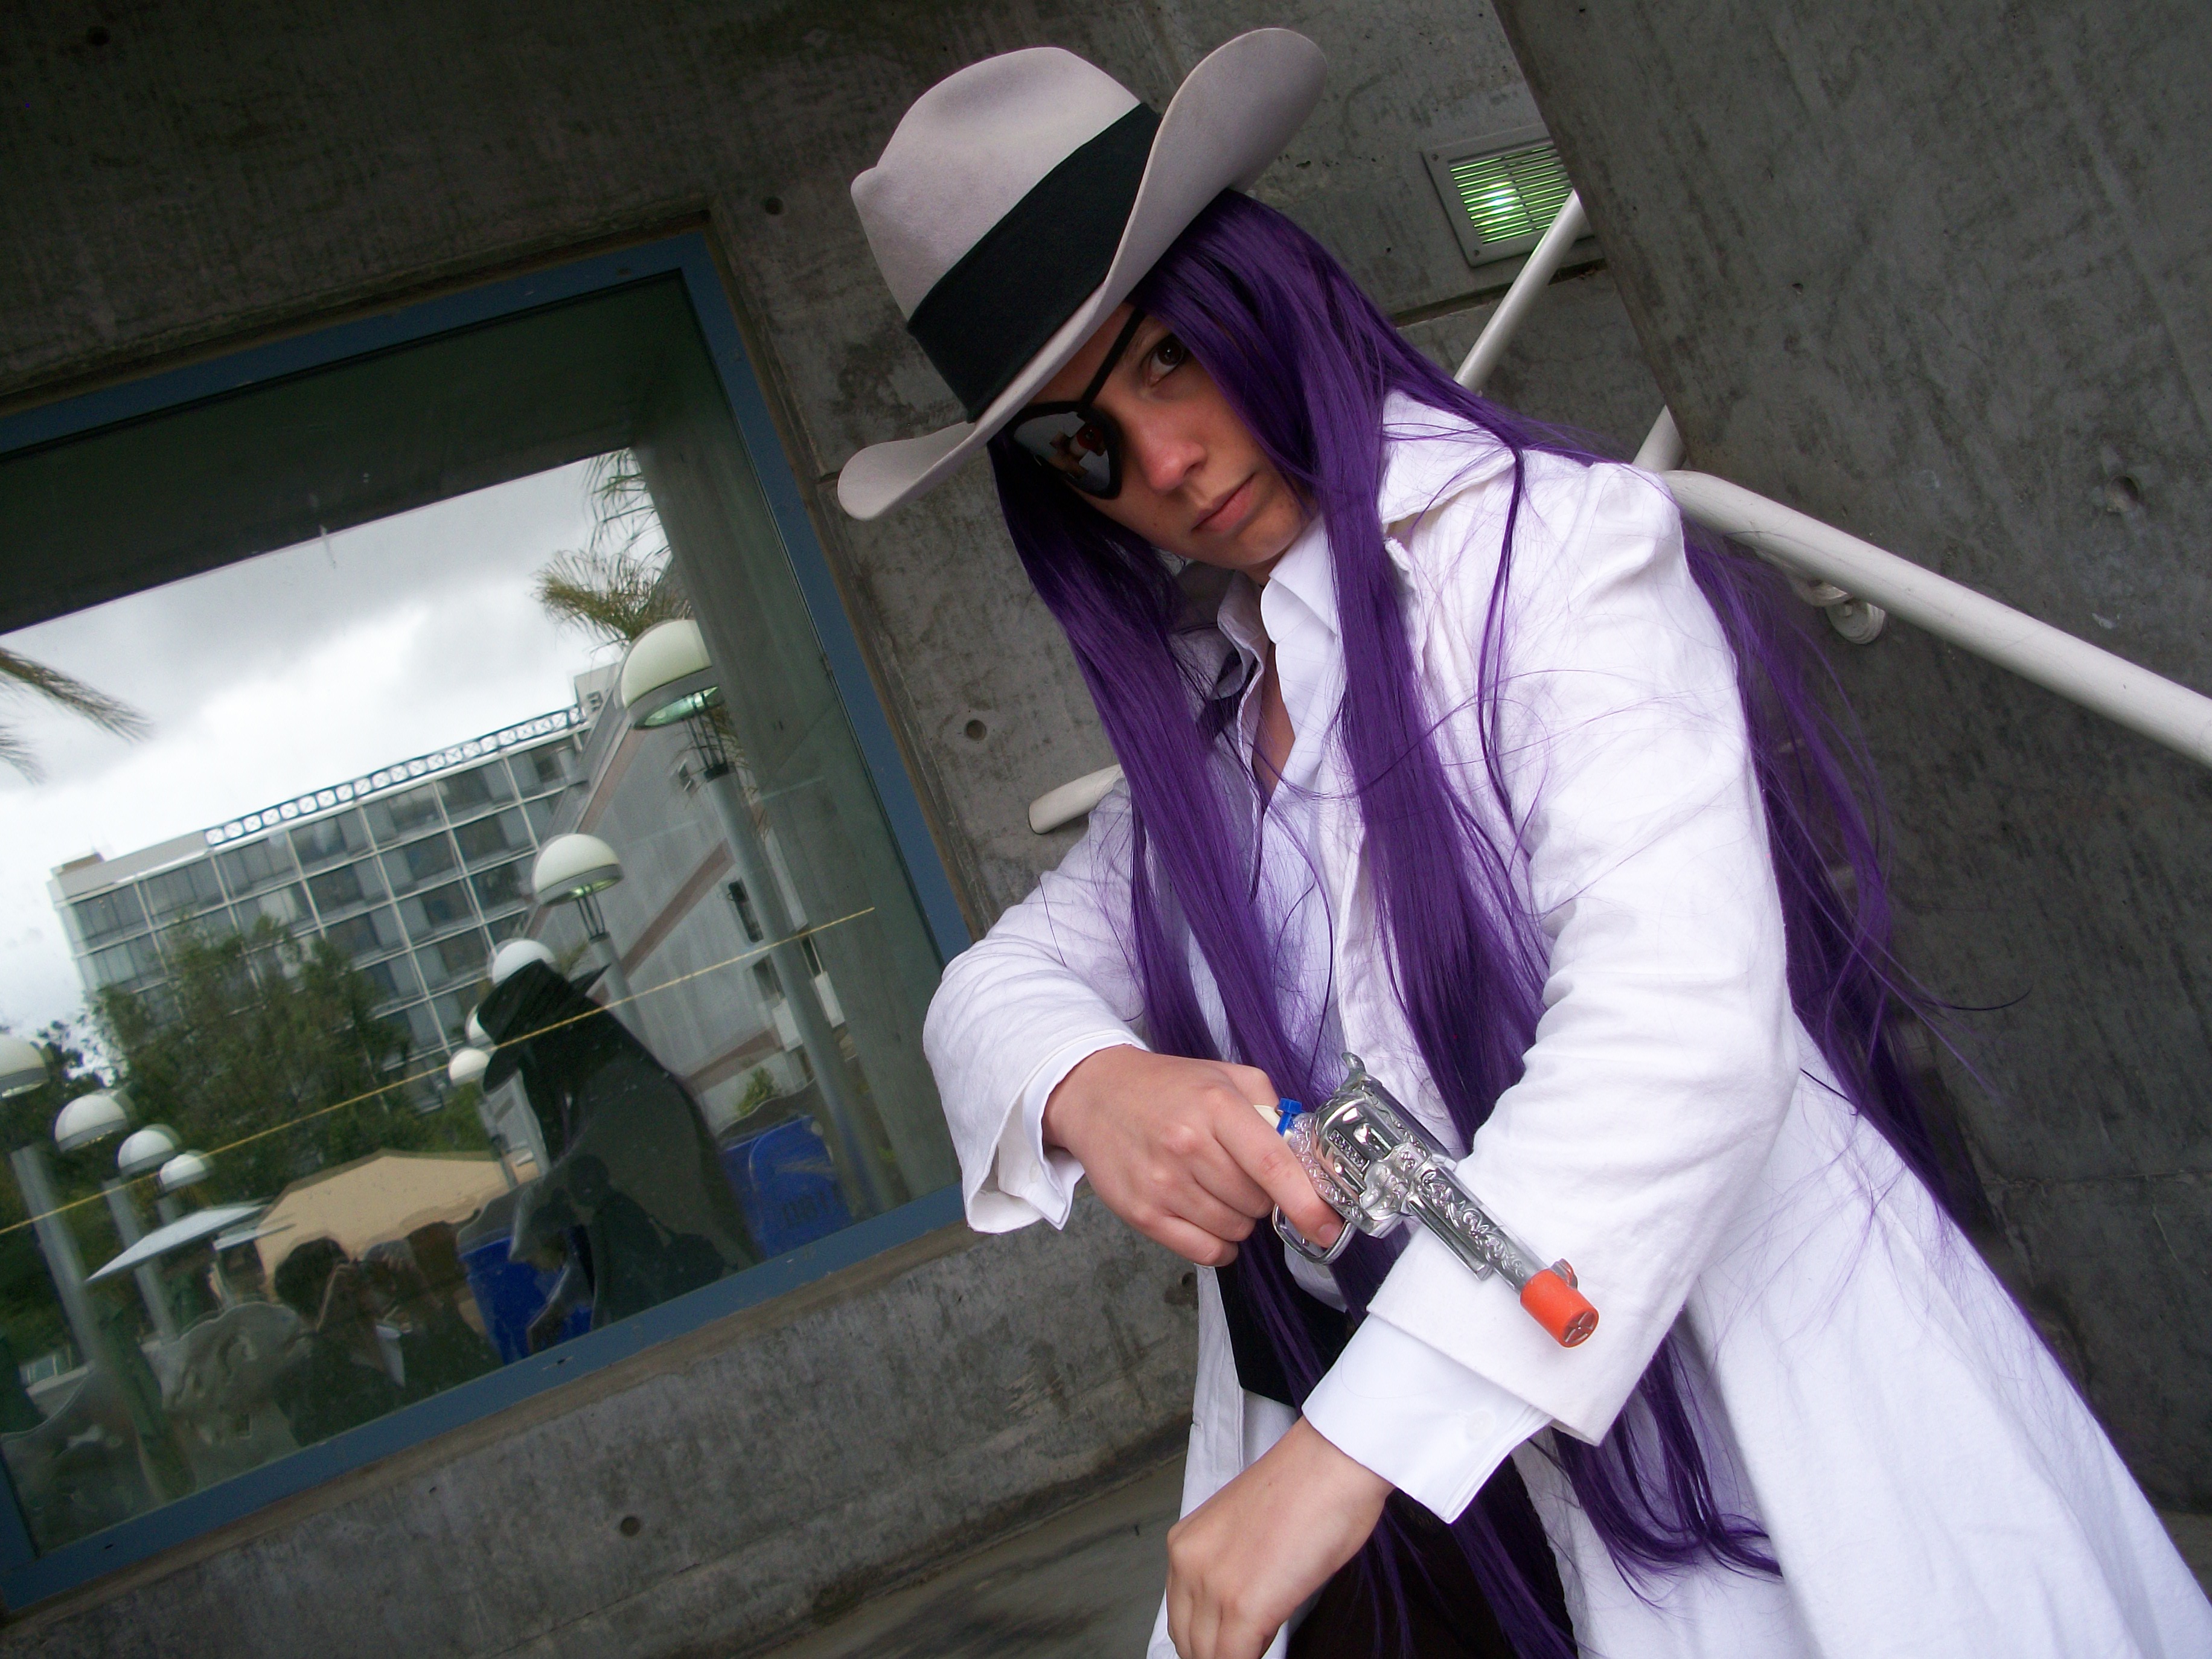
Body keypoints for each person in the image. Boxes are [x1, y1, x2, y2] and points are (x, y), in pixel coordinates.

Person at [839, 29, 2212, 1659]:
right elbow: (996, 984)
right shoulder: (1216, 716)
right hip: (1440, 1526)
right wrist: (1096, 1084)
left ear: (1264, 294)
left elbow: (1676, 1027)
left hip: (1714, 1425)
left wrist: (1354, 1446)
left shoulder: (1551, 555)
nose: (1165, 463)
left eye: (1168, 360)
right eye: (1083, 446)